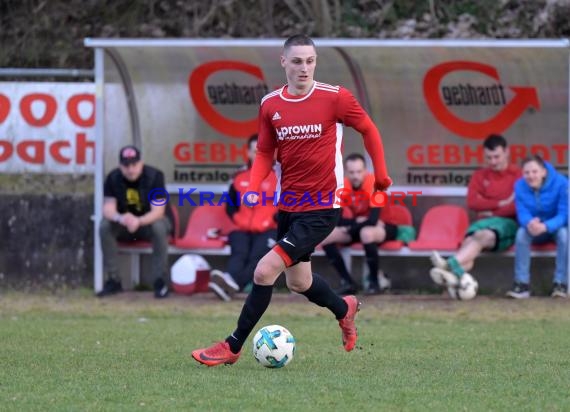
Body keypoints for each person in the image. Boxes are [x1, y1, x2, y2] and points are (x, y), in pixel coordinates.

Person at [191, 34, 392, 366]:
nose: (304, 68)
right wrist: (255, 184)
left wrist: (381, 173)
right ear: (283, 61)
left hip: (323, 207)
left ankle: (232, 346)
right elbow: (265, 151)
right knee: (300, 282)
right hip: (289, 208)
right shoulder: (271, 104)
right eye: (297, 61)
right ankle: (345, 308)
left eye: (310, 61)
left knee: (264, 270)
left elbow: (369, 129)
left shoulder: (335, 97)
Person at [429, 134, 521, 289]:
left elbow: (515, 206)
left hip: (507, 224)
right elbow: (472, 202)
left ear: (507, 152)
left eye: (496, 157)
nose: (493, 162)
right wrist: (499, 203)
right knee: (469, 245)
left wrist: (489, 210)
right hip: (482, 223)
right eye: (488, 157)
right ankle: (452, 275)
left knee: (480, 237)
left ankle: (449, 263)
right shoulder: (480, 175)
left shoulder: (518, 175)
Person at [209, 135, 279, 301]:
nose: (258, 154)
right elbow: (230, 205)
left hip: (269, 229)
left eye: (263, 151)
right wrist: (238, 219)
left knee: (257, 257)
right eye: (255, 151)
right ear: (248, 153)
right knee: (239, 254)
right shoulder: (239, 176)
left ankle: (231, 284)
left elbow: (287, 204)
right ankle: (230, 283)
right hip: (242, 228)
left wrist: (273, 220)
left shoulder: (278, 175)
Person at [98, 145, 173, 298]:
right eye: (126, 165)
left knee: (159, 227)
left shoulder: (155, 176)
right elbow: (108, 209)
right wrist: (122, 218)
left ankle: (160, 281)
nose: (131, 169)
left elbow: (158, 211)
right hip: (125, 225)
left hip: (149, 223)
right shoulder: (113, 177)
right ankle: (113, 279)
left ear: (141, 163)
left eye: (134, 164)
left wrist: (138, 220)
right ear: (120, 166)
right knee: (105, 226)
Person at [320, 153, 397, 295]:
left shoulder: (376, 185)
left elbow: (373, 220)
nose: (355, 176)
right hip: (358, 227)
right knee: (327, 237)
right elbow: (337, 219)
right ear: (346, 172)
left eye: (359, 171)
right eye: (351, 172)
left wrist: (351, 227)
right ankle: (348, 282)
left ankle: (374, 283)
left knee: (366, 233)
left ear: (365, 171)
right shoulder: (343, 186)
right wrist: (355, 223)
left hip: (385, 227)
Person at [506, 155, 568, 299]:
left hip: (555, 226)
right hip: (533, 226)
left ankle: (561, 284)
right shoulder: (519, 185)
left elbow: (565, 214)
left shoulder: (562, 183)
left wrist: (546, 226)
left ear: (543, 172)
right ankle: (522, 285)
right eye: (526, 173)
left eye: (534, 172)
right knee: (521, 234)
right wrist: (530, 222)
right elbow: (521, 211)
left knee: (564, 235)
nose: (530, 176)